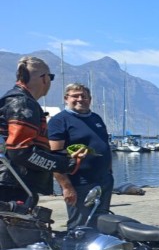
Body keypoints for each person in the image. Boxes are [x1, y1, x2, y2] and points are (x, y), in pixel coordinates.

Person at [0, 56, 85, 206]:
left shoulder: (17, 100)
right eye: (51, 77)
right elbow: (20, 151)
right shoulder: (22, 103)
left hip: (14, 183)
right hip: (12, 186)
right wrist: (66, 164)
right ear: (44, 78)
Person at [48, 83, 113, 228]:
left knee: (102, 222)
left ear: (90, 99)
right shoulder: (59, 121)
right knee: (80, 226)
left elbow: (105, 145)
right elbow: (54, 157)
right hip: (80, 183)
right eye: (75, 96)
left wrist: (109, 172)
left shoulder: (96, 118)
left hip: (104, 180)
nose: (80, 99)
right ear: (66, 99)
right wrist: (66, 187)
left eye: (84, 96)